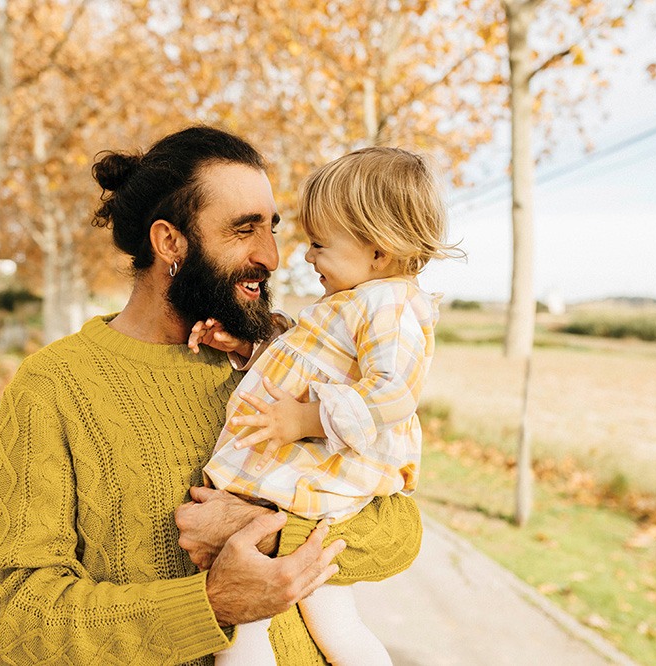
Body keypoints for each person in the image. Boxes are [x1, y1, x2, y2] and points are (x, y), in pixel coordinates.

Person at [0, 126, 423, 665]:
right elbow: (18, 620)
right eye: (244, 230)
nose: (274, 257)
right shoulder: (55, 386)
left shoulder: (279, 363)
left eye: (272, 228)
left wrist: (265, 535)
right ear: (170, 243)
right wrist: (210, 602)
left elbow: (399, 528)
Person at [188, 147, 459, 666]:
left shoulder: (390, 305)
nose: (306, 257)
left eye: (318, 244)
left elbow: (395, 393)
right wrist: (245, 345)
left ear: (378, 252)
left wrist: (305, 420)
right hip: (312, 482)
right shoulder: (357, 301)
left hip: (311, 479)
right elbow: (308, 363)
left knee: (246, 616)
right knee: (334, 619)